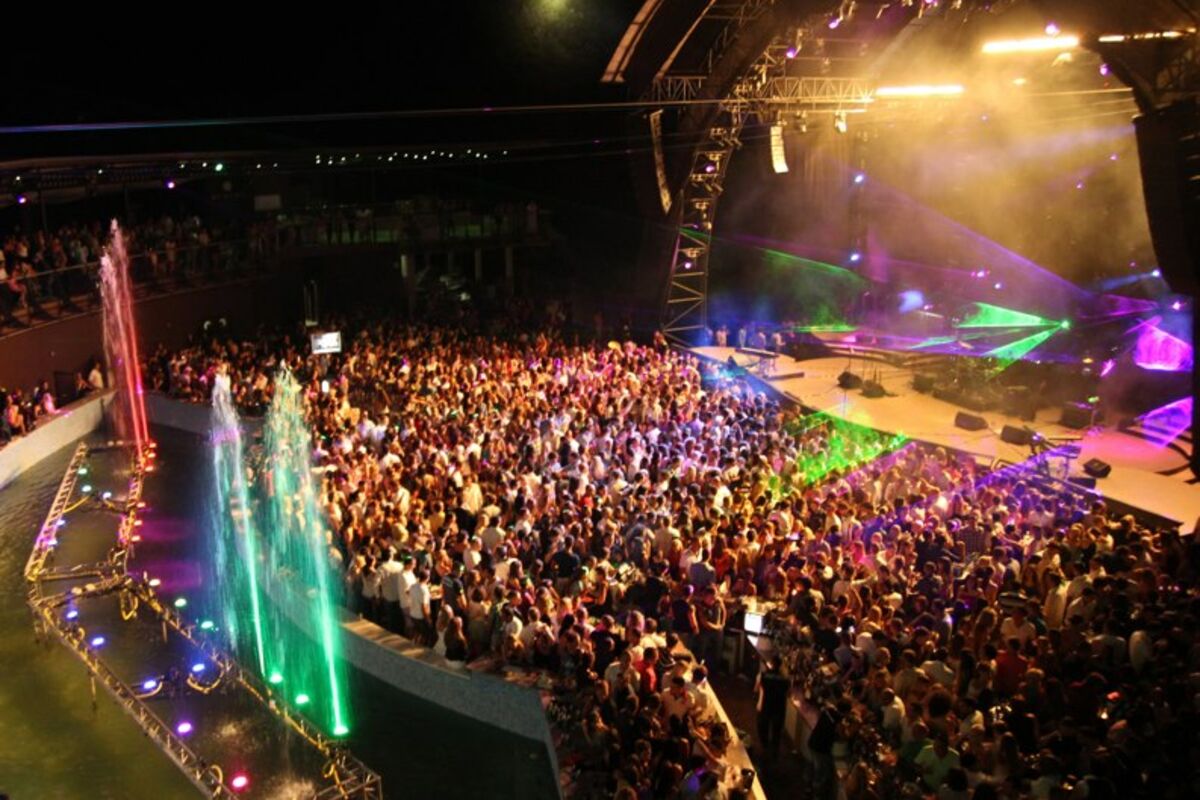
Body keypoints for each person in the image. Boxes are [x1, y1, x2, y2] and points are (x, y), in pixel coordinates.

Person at [754, 657, 790, 761]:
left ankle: (765, 748)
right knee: (776, 732)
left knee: (762, 728)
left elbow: (756, 689)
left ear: (771, 664)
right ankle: (774, 753)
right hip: (779, 708)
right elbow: (789, 693)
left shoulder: (763, 676)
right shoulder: (785, 679)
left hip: (766, 707)